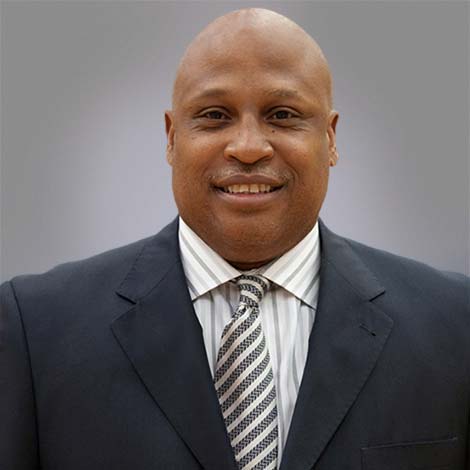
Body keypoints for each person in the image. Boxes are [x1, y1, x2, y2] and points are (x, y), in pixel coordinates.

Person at [1, 8, 468, 470]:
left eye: (282, 115)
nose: (247, 147)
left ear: (330, 137)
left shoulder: (454, 327)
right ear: (170, 137)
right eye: (214, 115)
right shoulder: (34, 332)